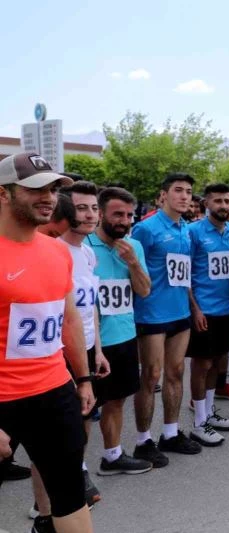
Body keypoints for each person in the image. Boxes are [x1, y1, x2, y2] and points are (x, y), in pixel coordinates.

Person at [0, 152, 95, 533]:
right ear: (3, 193)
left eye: (54, 188)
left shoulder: (57, 251)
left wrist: (83, 379)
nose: (49, 197)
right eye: (36, 188)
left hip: (54, 392)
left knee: (70, 495)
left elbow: (68, 318)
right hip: (3, 399)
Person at [131, 173, 202, 468]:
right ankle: (142, 441)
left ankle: (170, 433)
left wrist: (194, 307)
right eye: (178, 190)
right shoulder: (145, 229)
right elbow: (131, 270)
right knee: (151, 376)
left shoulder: (186, 228)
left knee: (176, 372)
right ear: (163, 195)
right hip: (151, 314)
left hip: (180, 313)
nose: (184, 196)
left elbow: (184, 274)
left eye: (188, 191)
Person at [87, 186, 154, 476]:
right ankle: (77, 469)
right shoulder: (83, 245)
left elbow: (145, 291)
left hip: (124, 335)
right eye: (117, 214)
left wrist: (133, 262)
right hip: (90, 341)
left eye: (128, 215)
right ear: (101, 213)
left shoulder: (133, 246)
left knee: (117, 400)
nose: (124, 221)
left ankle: (112, 456)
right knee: (84, 408)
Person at [57, 181, 112, 505]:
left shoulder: (88, 253)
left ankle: (78, 469)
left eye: (94, 208)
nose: (90, 215)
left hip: (87, 349)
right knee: (58, 429)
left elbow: (90, 306)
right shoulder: (55, 250)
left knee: (85, 415)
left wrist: (98, 350)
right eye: (81, 208)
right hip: (58, 353)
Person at [185, 184, 229, 447]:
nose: (223, 206)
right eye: (217, 201)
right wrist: (195, 308)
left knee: (218, 362)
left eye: (227, 201)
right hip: (204, 309)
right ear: (206, 203)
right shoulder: (193, 231)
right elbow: (184, 274)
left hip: (226, 308)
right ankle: (199, 423)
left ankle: (208, 413)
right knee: (202, 364)